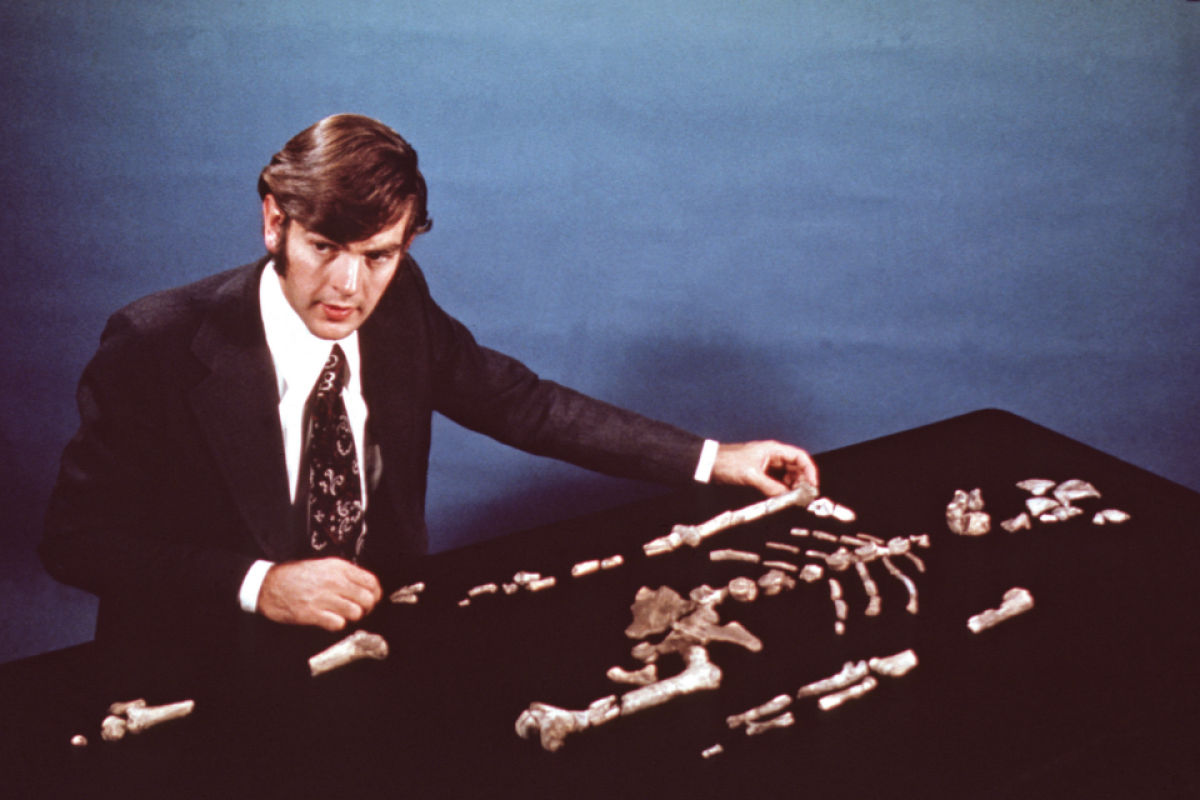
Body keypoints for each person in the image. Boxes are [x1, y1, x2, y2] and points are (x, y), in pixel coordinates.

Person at [39, 114, 817, 643]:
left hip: (376, 639)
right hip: (203, 661)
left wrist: (716, 458)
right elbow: (76, 542)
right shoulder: (156, 341)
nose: (349, 286)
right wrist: (260, 584)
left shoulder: (400, 302)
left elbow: (524, 404)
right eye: (325, 247)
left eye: (379, 254)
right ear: (274, 220)